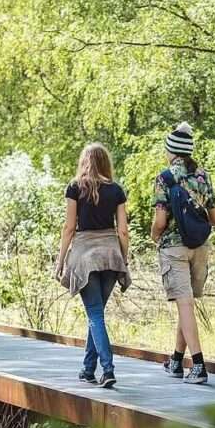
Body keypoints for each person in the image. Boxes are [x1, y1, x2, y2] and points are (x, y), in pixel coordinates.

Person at [55, 143, 131, 389]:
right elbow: (123, 231)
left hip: (85, 256)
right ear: (105, 163)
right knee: (95, 314)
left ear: (84, 162)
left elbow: (69, 228)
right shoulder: (117, 190)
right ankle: (88, 369)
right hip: (110, 256)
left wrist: (60, 260)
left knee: (95, 314)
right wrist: (124, 259)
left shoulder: (76, 187)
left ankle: (107, 369)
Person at [151, 122, 215, 384]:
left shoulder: (165, 178)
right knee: (187, 303)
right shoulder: (203, 176)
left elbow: (160, 221)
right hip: (200, 247)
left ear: (171, 151)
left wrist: (154, 236)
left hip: (174, 248)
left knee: (185, 304)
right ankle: (176, 361)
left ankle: (199, 366)